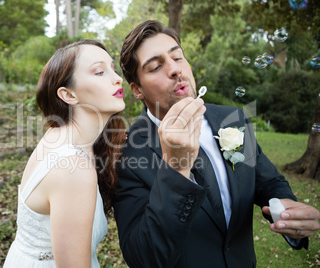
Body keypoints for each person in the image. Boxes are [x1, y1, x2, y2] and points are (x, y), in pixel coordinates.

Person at [113, 20, 320, 267]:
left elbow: (268, 182)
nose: (175, 70)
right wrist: (176, 168)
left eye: (177, 57)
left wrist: (284, 207)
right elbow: (144, 257)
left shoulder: (232, 118)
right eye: (156, 66)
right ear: (136, 89)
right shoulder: (126, 153)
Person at [4, 40, 126, 267]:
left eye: (113, 68)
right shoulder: (72, 168)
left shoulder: (64, 136)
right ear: (68, 95)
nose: (117, 78)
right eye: (100, 72)